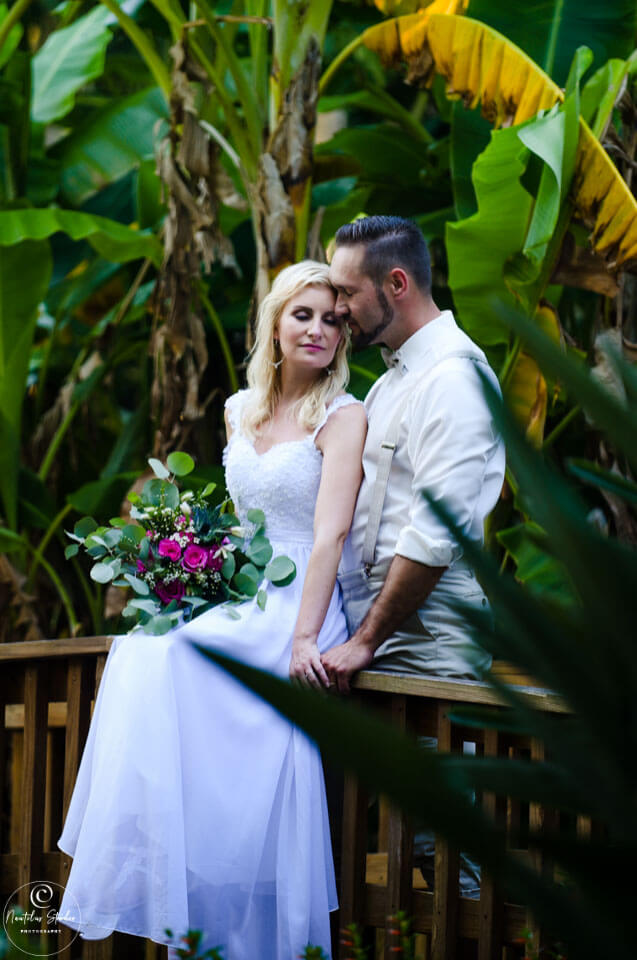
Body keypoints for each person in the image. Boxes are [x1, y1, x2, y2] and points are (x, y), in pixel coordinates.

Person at [57, 261, 367, 960]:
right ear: (275, 325)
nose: (317, 330)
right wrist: (187, 566)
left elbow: (328, 534)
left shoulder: (343, 415)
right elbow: (240, 520)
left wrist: (304, 637)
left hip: (301, 598)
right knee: (140, 650)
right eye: (303, 315)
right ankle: (186, 873)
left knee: (178, 659)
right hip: (246, 586)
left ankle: (237, 889)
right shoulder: (238, 409)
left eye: (331, 319)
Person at [321, 215, 506, 897]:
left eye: (345, 292)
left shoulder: (453, 380)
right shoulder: (390, 379)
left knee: (445, 841)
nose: (336, 309)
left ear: (395, 284)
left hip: (425, 639)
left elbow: (435, 535)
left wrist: (365, 639)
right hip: (378, 636)